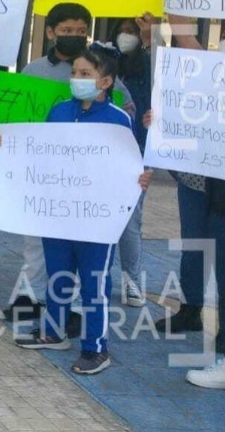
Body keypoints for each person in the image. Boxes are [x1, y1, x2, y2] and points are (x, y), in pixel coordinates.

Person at [14, 45, 152, 376]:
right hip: (59, 212)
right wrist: (10, 145)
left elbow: (128, 164)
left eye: (85, 74)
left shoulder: (119, 119)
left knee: (94, 282)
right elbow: (41, 152)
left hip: (96, 221)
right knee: (58, 273)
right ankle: (53, 331)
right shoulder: (59, 111)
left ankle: (95, 348)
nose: (77, 79)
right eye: (74, 72)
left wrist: (141, 176)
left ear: (105, 82)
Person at [3, 2, 135, 322]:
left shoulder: (99, 68)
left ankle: (72, 305)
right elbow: (16, 116)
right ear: (50, 33)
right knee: (35, 236)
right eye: (66, 31)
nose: (74, 36)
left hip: (86, 178)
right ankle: (29, 294)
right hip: (44, 171)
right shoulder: (32, 71)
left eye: (80, 31)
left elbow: (125, 107)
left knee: (76, 241)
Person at [148, 13, 225, 389]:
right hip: (199, 177)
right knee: (195, 244)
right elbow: (191, 61)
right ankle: (191, 308)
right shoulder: (213, 67)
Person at [110, 16, 155, 306]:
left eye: (133, 32)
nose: (127, 36)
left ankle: (133, 282)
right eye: (123, 31)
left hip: (137, 150)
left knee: (129, 223)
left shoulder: (150, 66)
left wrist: (151, 35)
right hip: (103, 149)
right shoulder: (106, 62)